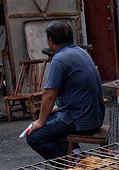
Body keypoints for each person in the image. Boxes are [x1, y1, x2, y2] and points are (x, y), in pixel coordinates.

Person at [24, 20, 104, 160]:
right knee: (51, 117)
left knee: (34, 136)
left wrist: (40, 122)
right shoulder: (81, 52)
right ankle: (75, 151)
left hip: (82, 121)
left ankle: (73, 164)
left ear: (50, 41)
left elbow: (49, 94)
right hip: (94, 117)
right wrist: (57, 108)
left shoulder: (59, 59)